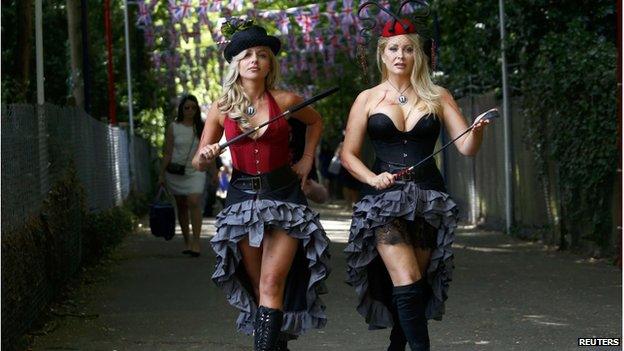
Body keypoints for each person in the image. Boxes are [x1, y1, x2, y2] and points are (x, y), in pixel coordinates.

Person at [341, 2, 492, 350]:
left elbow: (466, 146)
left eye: (408, 48)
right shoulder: (367, 98)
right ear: (382, 54)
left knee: (415, 286)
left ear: (418, 54)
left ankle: (397, 347)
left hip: (428, 198)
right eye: (393, 48)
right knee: (406, 279)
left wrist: (478, 130)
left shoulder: (438, 96)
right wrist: (372, 178)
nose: (400, 55)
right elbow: (348, 155)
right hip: (383, 201)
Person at [192, 19, 330, 351]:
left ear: (270, 63)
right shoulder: (221, 107)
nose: (255, 60)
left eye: (262, 54)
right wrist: (207, 153)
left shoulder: (286, 100)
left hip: (284, 196)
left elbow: (316, 122)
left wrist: (307, 159)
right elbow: (198, 161)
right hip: (241, 201)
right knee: (258, 288)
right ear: (235, 63)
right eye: (247, 55)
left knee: (271, 282)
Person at [159, 94, 205, 257]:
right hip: (176, 172)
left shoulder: (202, 127)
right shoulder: (174, 127)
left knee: (193, 201)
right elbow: (168, 152)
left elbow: (206, 152)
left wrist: (214, 173)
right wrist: (161, 174)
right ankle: (187, 241)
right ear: (181, 109)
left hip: (196, 171)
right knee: (181, 206)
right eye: (187, 107)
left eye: (193, 107)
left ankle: (196, 242)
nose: (190, 110)